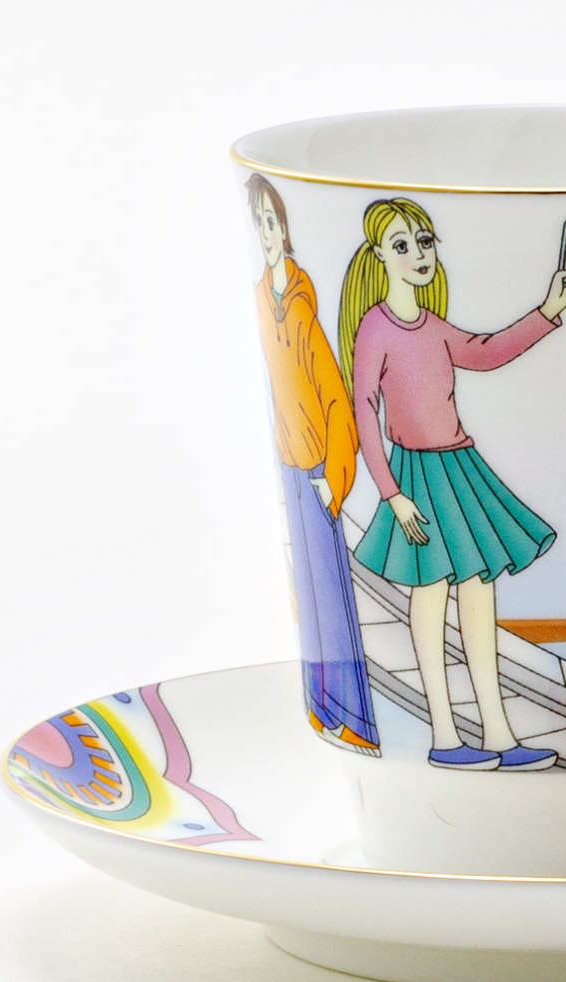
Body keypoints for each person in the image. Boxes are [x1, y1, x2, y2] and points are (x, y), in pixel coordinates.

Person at [340, 197, 566, 770]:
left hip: (461, 468)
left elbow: (485, 354)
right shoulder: (375, 328)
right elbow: (364, 410)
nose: (418, 254)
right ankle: (443, 735)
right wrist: (391, 493)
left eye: (424, 241)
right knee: (431, 595)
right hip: (417, 475)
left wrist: (551, 307)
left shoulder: (431, 325)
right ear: (378, 256)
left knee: (480, 592)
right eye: (401, 245)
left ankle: (499, 734)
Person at [247, 173, 379, 756]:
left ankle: (355, 717)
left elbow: (333, 392)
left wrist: (337, 473)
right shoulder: (264, 298)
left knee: (330, 587)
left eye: (272, 220)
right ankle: (324, 706)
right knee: (310, 583)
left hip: (318, 464)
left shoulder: (301, 305)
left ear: (286, 228)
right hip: (288, 460)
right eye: (258, 222)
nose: (265, 232)